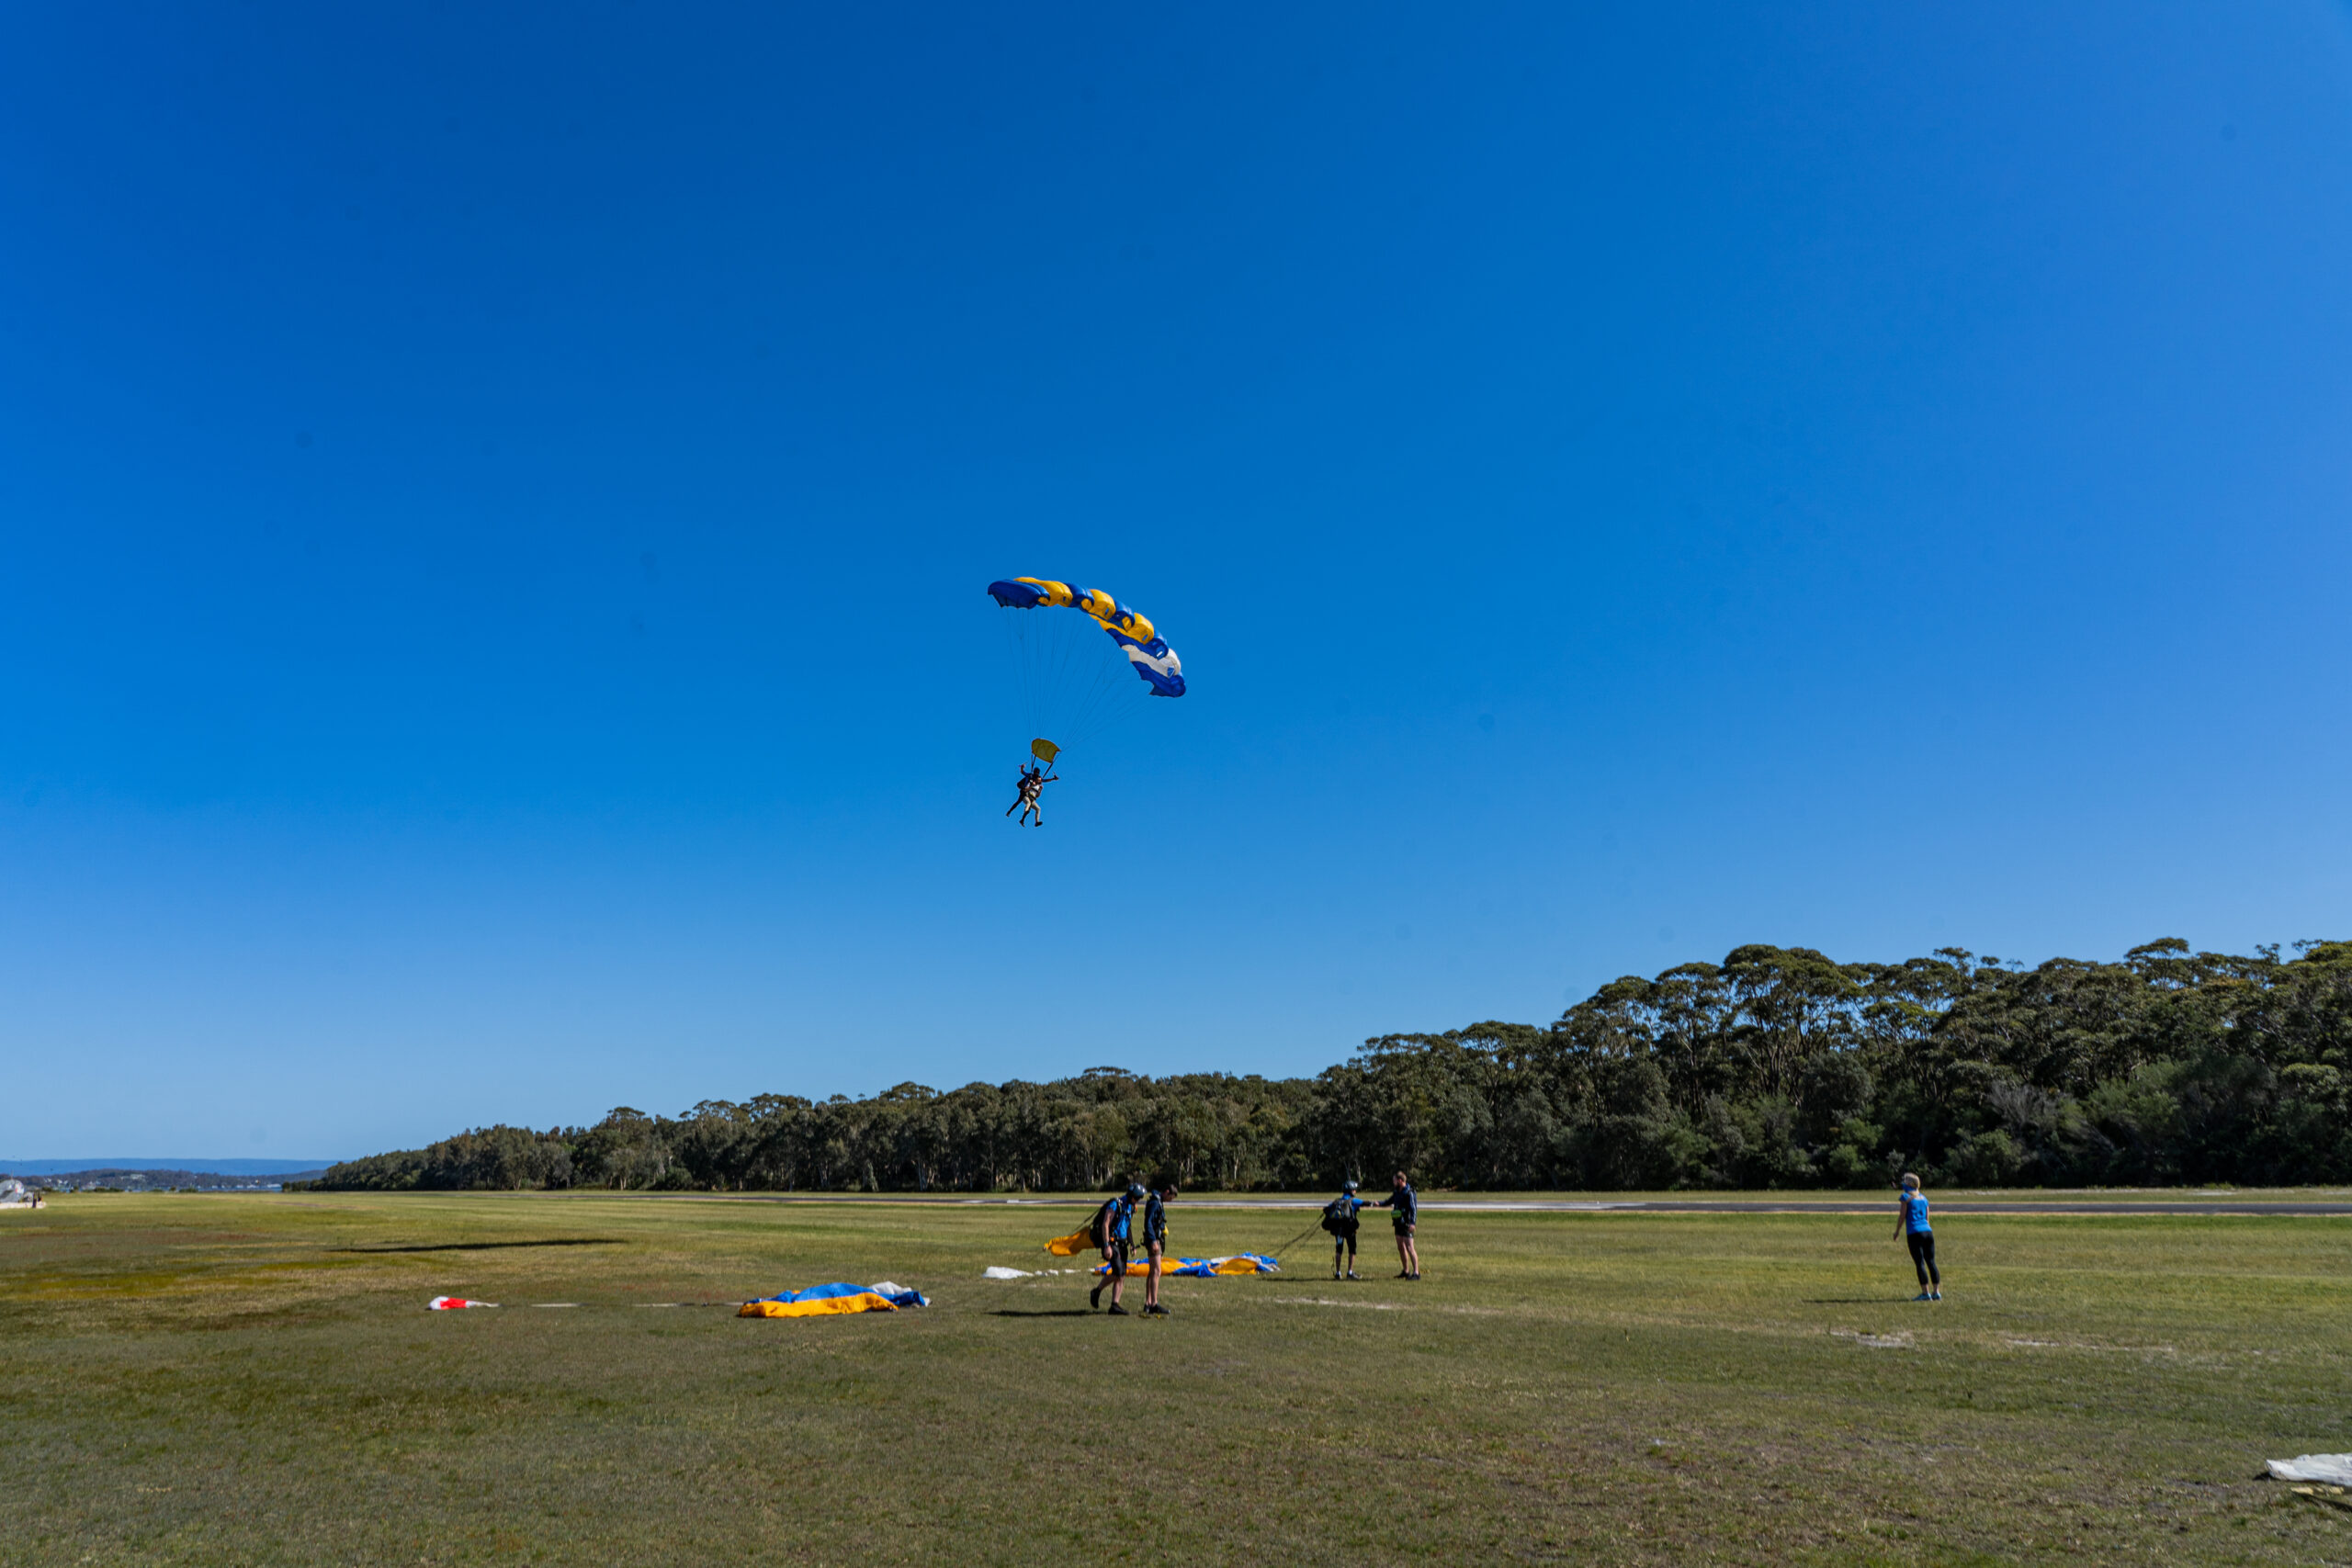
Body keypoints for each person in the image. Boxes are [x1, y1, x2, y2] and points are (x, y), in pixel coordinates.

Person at [1088, 1181, 1143, 1314]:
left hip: (1123, 1243)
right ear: (1130, 1195)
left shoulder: (1131, 1206)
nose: (1138, 1201)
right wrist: (1106, 1246)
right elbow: (1105, 1224)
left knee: (1121, 1275)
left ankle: (1114, 1305)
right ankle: (1097, 1291)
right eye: (1137, 1198)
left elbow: (1127, 1225)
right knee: (1118, 1271)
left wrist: (1132, 1243)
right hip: (1112, 1243)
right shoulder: (1116, 1204)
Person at [1894, 1173, 1940, 1301]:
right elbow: (1927, 1218)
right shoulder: (1924, 1198)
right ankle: (1936, 1292)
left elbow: (1902, 1216)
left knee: (1920, 1263)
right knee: (1931, 1262)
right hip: (1927, 1232)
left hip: (1914, 1233)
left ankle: (1925, 1293)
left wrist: (1897, 1231)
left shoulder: (1905, 1197)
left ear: (1909, 1184)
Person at [1139, 1175, 1177, 1317]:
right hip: (1154, 1240)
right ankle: (1154, 1303)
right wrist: (1153, 1240)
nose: (1171, 1200)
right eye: (1171, 1197)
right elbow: (1148, 1222)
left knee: (1152, 1272)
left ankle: (1148, 1303)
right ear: (1167, 1192)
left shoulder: (1157, 1201)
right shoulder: (1155, 1202)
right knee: (1157, 1271)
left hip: (1155, 1238)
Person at [1373, 1170, 1419, 1280]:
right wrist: (1379, 1203)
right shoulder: (1397, 1192)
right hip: (1398, 1222)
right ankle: (1406, 1271)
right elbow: (1389, 1201)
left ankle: (1416, 1273)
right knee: (1401, 1247)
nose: (1393, 1182)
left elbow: (1413, 1209)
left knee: (1410, 1247)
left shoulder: (1409, 1192)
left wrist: (1413, 1223)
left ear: (1400, 1180)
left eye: (1394, 1180)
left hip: (1407, 1223)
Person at [1321, 1179, 1365, 1280]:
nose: (1355, 1192)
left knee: (1339, 1250)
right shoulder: (1353, 1201)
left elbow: (1326, 1209)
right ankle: (1350, 1272)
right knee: (1352, 1250)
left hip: (1338, 1231)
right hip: (1350, 1229)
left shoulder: (1337, 1201)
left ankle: (1338, 1273)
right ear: (1350, 1191)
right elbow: (1365, 1203)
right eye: (1354, 1190)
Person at [1005, 761, 1057, 826]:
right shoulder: (1030, 775)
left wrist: (1053, 779)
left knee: (1033, 808)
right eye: (1036, 772)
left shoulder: (1038, 781)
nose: (1037, 774)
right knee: (1019, 802)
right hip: (1024, 791)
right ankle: (1010, 812)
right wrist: (1022, 768)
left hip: (1030, 795)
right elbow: (1022, 772)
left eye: (1038, 773)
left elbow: (1045, 780)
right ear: (1034, 772)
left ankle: (1024, 820)